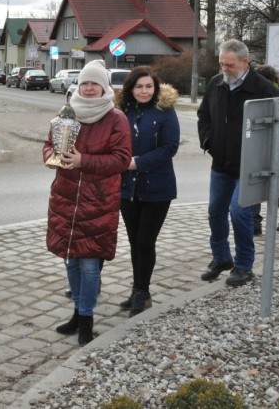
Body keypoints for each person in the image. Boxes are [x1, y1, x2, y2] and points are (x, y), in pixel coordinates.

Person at [44, 60, 131, 346]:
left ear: (104, 87)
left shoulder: (116, 118)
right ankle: (76, 314)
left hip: (98, 202)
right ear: (78, 86)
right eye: (85, 83)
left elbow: (121, 159)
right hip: (67, 198)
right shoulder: (67, 113)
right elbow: (49, 144)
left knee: (90, 266)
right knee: (71, 261)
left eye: (95, 83)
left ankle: (87, 319)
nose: (90, 88)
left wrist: (85, 161)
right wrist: (50, 156)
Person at [197, 40, 279, 287]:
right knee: (215, 212)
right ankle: (221, 257)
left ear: (245, 61)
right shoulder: (216, 83)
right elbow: (204, 115)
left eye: (229, 64)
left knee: (240, 212)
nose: (224, 68)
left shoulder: (264, 90)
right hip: (221, 163)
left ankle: (244, 266)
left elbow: (278, 128)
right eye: (222, 63)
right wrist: (208, 142)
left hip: (250, 167)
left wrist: (264, 159)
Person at [116, 66, 179, 317]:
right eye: (139, 86)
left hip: (158, 188)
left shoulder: (165, 111)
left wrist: (136, 163)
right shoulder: (123, 111)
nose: (144, 91)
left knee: (145, 240)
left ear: (155, 88)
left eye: (148, 86)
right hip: (127, 187)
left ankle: (142, 290)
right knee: (134, 241)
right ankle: (138, 289)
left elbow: (169, 147)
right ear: (131, 88)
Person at [252, 64, 279, 233]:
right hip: (255, 144)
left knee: (272, 180)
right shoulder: (254, 94)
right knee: (254, 181)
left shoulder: (275, 96)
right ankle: (255, 223)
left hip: (272, 145)